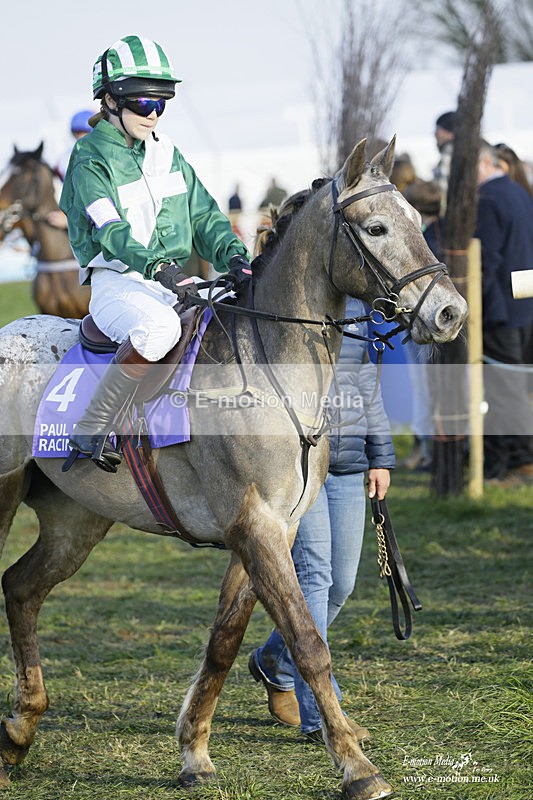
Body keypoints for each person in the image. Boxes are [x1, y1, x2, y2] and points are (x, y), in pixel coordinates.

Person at [60, 34, 252, 473]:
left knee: (238, 313)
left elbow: (204, 216)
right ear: (110, 100)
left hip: (170, 281)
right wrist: (159, 267)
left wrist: (236, 259)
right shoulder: (89, 158)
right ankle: (93, 427)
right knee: (160, 328)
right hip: (119, 285)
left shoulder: (168, 153)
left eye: (163, 103)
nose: (156, 114)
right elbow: (111, 230)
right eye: (145, 104)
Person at [248, 297, 395, 740]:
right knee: (316, 579)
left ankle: (274, 658)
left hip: (349, 467)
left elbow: (368, 387)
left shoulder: (356, 309)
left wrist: (380, 457)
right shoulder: (286, 305)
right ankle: (321, 714)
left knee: (343, 584)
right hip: (302, 466)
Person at [475, 141, 533, 482]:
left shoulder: (490, 199)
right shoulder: (517, 191)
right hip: (524, 303)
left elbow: (486, 260)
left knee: (506, 391)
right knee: (515, 388)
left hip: (501, 312)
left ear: (482, 164)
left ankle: (519, 461)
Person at [432, 111, 456, 215]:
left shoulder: (449, 154)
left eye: (438, 129)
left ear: (450, 132)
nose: (435, 134)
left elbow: (441, 194)